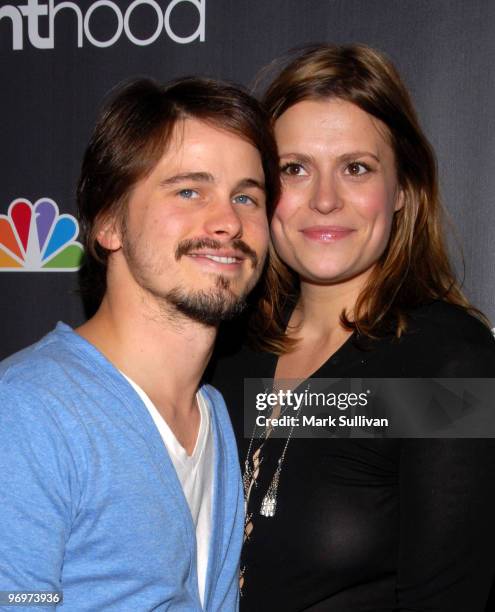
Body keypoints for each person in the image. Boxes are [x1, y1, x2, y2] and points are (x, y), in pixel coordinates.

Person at [210, 44, 495, 611]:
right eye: (294, 169)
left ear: (403, 192)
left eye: (356, 168)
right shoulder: (225, 350)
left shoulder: (448, 366)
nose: (324, 200)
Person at [0, 76, 279, 610]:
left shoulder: (212, 413)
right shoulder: (29, 410)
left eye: (246, 196)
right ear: (109, 222)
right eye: (189, 190)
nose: (227, 221)